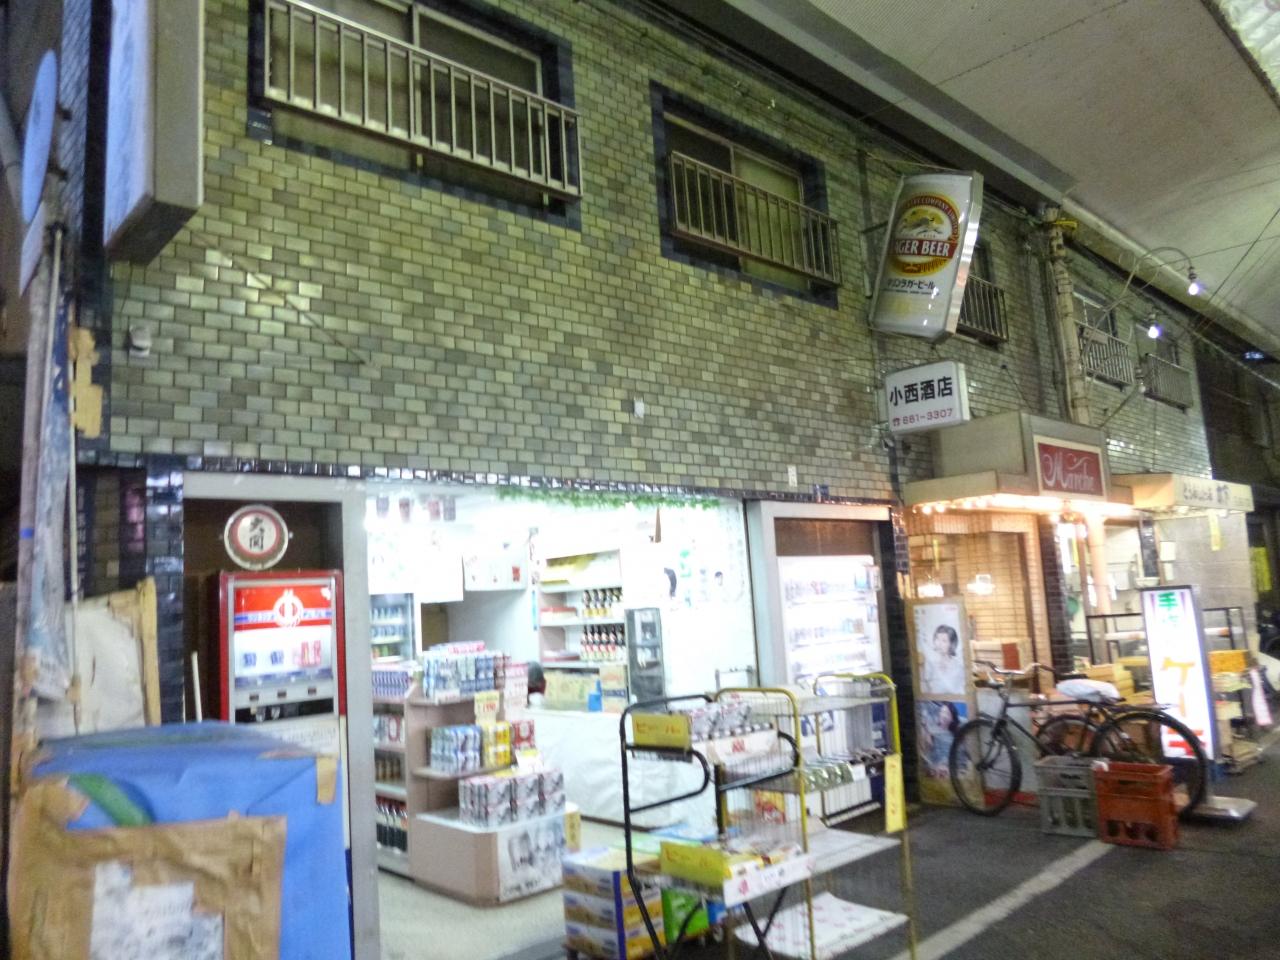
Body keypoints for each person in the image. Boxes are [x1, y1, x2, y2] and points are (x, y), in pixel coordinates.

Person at [922, 623, 966, 696]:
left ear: (951, 644)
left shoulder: (958, 666)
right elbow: (925, 687)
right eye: (937, 639)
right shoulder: (930, 663)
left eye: (944, 641)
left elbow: (961, 690)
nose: (939, 644)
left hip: (954, 701)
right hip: (935, 701)